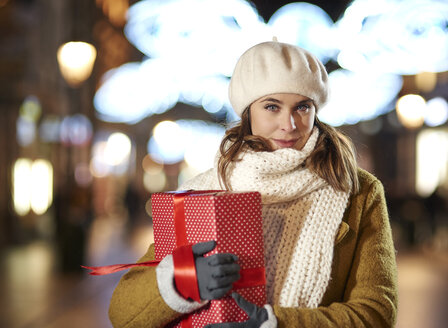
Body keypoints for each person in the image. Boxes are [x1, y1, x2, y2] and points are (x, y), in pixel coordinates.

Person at [109, 40, 398, 328]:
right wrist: (179, 283)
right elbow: (122, 313)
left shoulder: (357, 191)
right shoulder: (203, 193)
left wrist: (275, 324)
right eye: (272, 106)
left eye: (302, 107)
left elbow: (376, 313)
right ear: (247, 112)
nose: (289, 124)